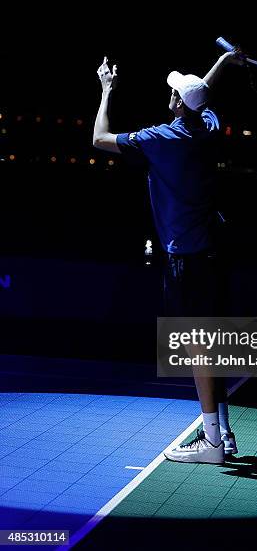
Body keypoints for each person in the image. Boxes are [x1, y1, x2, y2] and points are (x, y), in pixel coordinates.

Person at [93, 48, 244, 464]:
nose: (173, 93)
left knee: (199, 348)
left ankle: (212, 441)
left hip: (187, 260)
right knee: (213, 346)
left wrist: (106, 91)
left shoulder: (163, 138)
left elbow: (99, 139)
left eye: (176, 91)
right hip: (214, 252)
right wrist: (225, 62)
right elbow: (203, 95)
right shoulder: (208, 126)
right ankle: (225, 433)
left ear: (179, 103)